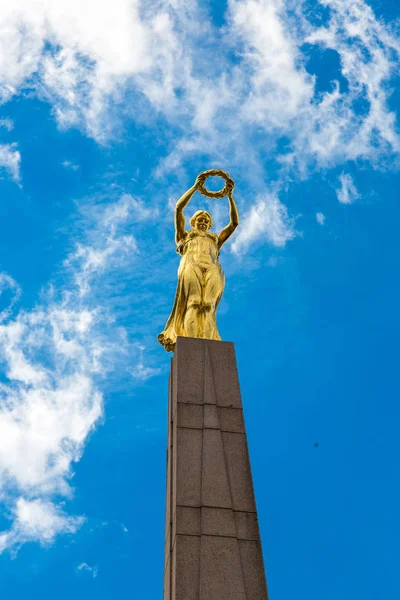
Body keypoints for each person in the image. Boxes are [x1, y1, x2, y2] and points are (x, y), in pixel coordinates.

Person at [158, 172, 239, 352]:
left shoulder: (215, 239)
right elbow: (179, 208)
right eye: (199, 220)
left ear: (209, 225)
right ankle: (191, 343)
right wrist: (195, 187)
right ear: (193, 222)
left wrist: (230, 196)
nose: (203, 222)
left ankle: (210, 344)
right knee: (193, 303)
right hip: (191, 266)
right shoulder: (184, 236)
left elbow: (234, 223)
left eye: (206, 221)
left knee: (208, 306)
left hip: (212, 268)